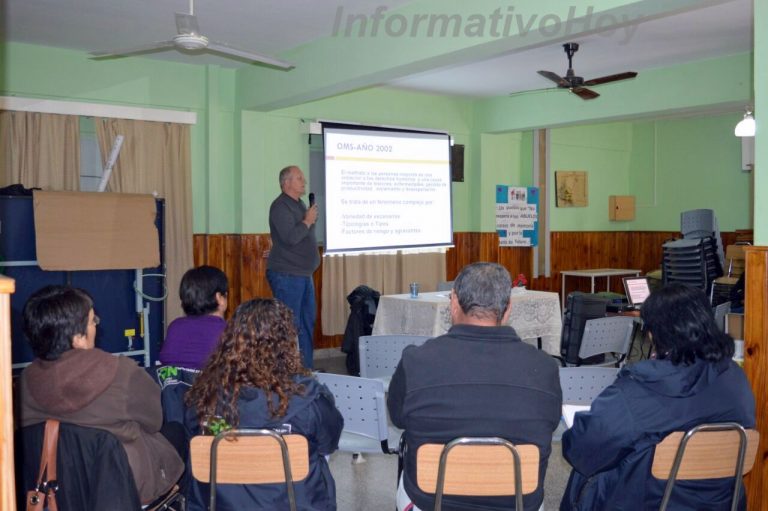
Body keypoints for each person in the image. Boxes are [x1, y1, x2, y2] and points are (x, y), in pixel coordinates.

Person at [560, 282, 756, 510]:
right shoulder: (736, 378)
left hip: (647, 501)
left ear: (655, 333)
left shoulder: (637, 391)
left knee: (584, 476)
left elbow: (581, 451)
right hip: (721, 502)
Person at [387, 262, 562, 511]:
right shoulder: (545, 367)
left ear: (454, 303)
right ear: (508, 308)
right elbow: (551, 423)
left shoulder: (415, 361)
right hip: (518, 503)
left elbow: (398, 419)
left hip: (431, 501)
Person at [18, 285, 184, 505]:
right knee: (177, 432)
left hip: (53, 492)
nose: (96, 326)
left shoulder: (22, 384)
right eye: (92, 321)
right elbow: (154, 421)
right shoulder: (123, 373)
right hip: (122, 490)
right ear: (77, 337)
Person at [185, 298, 343, 511]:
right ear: (288, 344)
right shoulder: (308, 402)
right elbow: (328, 444)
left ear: (230, 341)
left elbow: (194, 436)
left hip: (222, 504)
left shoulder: (204, 398)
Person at [267, 165, 320, 369]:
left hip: (303, 274)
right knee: (290, 326)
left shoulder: (299, 205)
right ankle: (287, 372)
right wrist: (307, 221)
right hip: (287, 275)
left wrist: (307, 220)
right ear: (286, 182)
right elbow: (290, 238)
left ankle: (305, 371)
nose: (304, 181)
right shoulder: (280, 206)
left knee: (307, 324)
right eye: (299, 178)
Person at [159, 265, 229, 369]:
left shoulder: (175, 327)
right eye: (226, 295)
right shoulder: (229, 331)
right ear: (219, 298)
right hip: (211, 385)